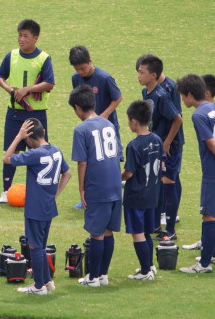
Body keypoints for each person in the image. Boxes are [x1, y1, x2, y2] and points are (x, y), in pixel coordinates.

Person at [176, 74, 215, 273]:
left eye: (182, 96)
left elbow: (211, 143)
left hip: (214, 173)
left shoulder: (198, 115)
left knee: (210, 216)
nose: (182, 100)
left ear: (189, 95)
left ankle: (203, 265)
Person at [3, 118, 71, 295]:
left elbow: (6, 158)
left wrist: (18, 137)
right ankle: (47, 281)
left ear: (30, 138)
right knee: (41, 244)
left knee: (35, 246)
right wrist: (54, 194)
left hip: (35, 208)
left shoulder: (34, 154)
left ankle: (39, 286)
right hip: (48, 206)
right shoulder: (56, 151)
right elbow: (68, 173)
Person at [0, 19, 55, 203]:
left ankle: (39, 190)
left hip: (36, 114)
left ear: (35, 38)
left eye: (25, 36)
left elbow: (49, 83)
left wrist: (27, 89)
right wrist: (9, 89)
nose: (21, 39)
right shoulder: (11, 55)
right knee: (11, 150)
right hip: (14, 113)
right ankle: (6, 191)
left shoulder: (44, 58)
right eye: (19, 35)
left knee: (39, 151)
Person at [69, 85, 121, 287]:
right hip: (115, 185)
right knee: (108, 231)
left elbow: (82, 162)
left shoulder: (81, 129)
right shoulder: (108, 124)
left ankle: (93, 277)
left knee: (96, 233)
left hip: (97, 187)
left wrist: (81, 189)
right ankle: (103, 275)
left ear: (77, 107)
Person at [70, 46, 123, 209]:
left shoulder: (104, 78)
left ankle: (116, 195)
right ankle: (88, 197)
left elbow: (118, 97)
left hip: (107, 127)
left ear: (90, 62)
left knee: (111, 160)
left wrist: (104, 115)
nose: (80, 72)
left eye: (83, 68)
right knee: (89, 161)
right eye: (77, 69)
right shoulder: (76, 78)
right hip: (89, 128)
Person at [136, 55, 183, 241]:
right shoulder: (146, 93)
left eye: (142, 72)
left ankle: (170, 229)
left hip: (170, 147)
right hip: (156, 145)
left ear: (153, 75)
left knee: (168, 183)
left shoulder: (162, 95)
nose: (138, 76)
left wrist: (167, 143)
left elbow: (177, 118)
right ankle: (157, 225)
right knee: (158, 183)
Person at [121, 100, 164, 280]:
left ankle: (146, 271)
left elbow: (129, 173)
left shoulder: (134, 145)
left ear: (133, 121)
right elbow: (161, 165)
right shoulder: (157, 139)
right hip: (152, 195)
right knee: (146, 232)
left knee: (138, 233)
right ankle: (150, 266)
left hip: (136, 197)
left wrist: (117, 178)